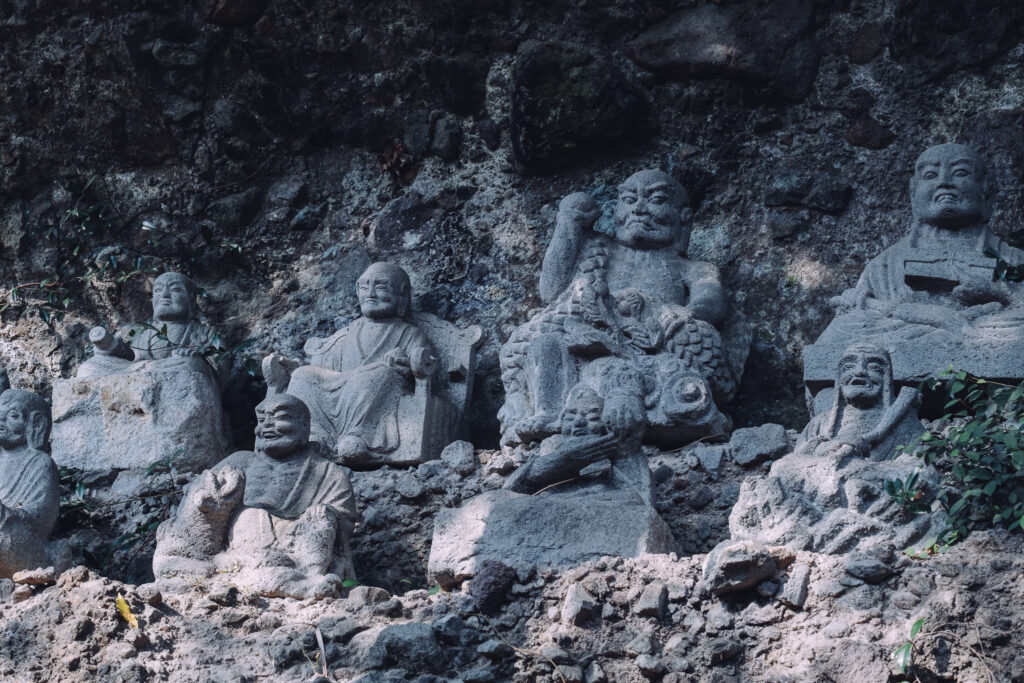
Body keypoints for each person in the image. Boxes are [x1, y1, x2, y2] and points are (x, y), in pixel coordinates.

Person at [499, 169, 735, 445]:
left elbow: (711, 302)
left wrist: (682, 314)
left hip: (648, 345)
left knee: (681, 346)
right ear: (615, 210)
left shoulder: (693, 268)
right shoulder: (596, 250)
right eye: (629, 199)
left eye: (657, 199)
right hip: (588, 334)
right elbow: (550, 291)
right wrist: (568, 223)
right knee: (545, 344)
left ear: (684, 217)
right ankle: (549, 414)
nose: (639, 209)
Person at [153, 394, 360, 599]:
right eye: (261, 420)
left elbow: (343, 522)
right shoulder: (239, 461)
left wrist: (320, 516)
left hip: (290, 546)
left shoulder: (326, 472)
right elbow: (202, 499)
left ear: (305, 424)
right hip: (231, 547)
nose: (267, 425)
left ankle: (306, 576)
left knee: (322, 518)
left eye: (280, 417)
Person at [265, 262, 438, 467]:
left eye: (381, 287)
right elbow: (324, 370)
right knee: (303, 376)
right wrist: (292, 369)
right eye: (364, 287)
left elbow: (428, 368)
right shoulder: (347, 333)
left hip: (374, 391)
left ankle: (360, 438)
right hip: (342, 387)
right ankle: (316, 435)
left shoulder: (409, 334)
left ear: (402, 294)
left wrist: (405, 363)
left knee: (379, 374)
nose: (371, 294)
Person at [78, 271, 219, 378]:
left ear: (191, 298)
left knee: (191, 364)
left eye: (175, 289)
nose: (164, 295)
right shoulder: (145, 334)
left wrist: (196, 358)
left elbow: (221, 373)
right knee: (88, 368)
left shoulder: (204, 334)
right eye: (158, 290)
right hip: (142, 371)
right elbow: (132, 360)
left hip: (176, 369)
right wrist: (109, 350)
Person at [0, 389, 60, 579]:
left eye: (13, 416)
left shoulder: (41, 463)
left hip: (21, 539)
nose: (1, 421)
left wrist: (9, 514)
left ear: (36, 424)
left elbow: (42, 518)